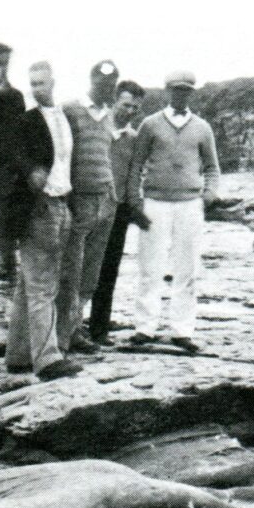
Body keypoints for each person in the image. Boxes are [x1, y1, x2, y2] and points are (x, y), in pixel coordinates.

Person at [125, 70, 220, 352]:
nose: (181, 94)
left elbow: (213, 168)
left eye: (186, 90)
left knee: (187, 268)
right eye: (176, 90)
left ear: (192, 93)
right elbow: (136, 166)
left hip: (190, 205)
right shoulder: (150, 125)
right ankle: (145, 327)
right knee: (149, 266)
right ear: (168, 91)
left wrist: (208, 196)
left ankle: (182, 330)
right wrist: (135, 201)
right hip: (154, 203)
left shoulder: (202, 127)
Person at [1, 62, 81, 381]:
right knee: (41, 284)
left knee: (29, 282)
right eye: (32, 84)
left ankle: (19, 354)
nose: (37, 90)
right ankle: (47, 359)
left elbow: (67, 161)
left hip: (63, 204)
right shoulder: (26, 121)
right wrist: (30, 170)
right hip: (40, 208)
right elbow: (12, 154)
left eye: (42, 84)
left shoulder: (66, 117)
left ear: (53, 82)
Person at [57, 60, 123, 354]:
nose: (106, 89)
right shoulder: (70, 110)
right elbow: (61, 154)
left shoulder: (109, 114)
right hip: (78, 200)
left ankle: (75, 330)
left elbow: (107, 154)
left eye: (111, 85)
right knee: (70, 271)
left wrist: (111, 195)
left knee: (91, 274)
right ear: (91, 80)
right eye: (101, 83)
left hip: (105, 201)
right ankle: (61, 334)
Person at [88, 80, 148, 345]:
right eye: (125, 105)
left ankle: (98, 330)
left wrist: (134, 206)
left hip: (119, 209)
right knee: (79, 266)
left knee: (108, 270)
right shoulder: (96, 129)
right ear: (114, 102)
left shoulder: (135, 140)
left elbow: (135, 175)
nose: (130, 111)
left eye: (135, 107)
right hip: (89, 204)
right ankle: (69, 327)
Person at [0, 41, 28, 282]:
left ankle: (8, 264)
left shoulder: (15, 95)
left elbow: (21, 128)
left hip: (10, 164)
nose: (2, 65)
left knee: (6, 215)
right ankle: (6, 262)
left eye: (5, 61)